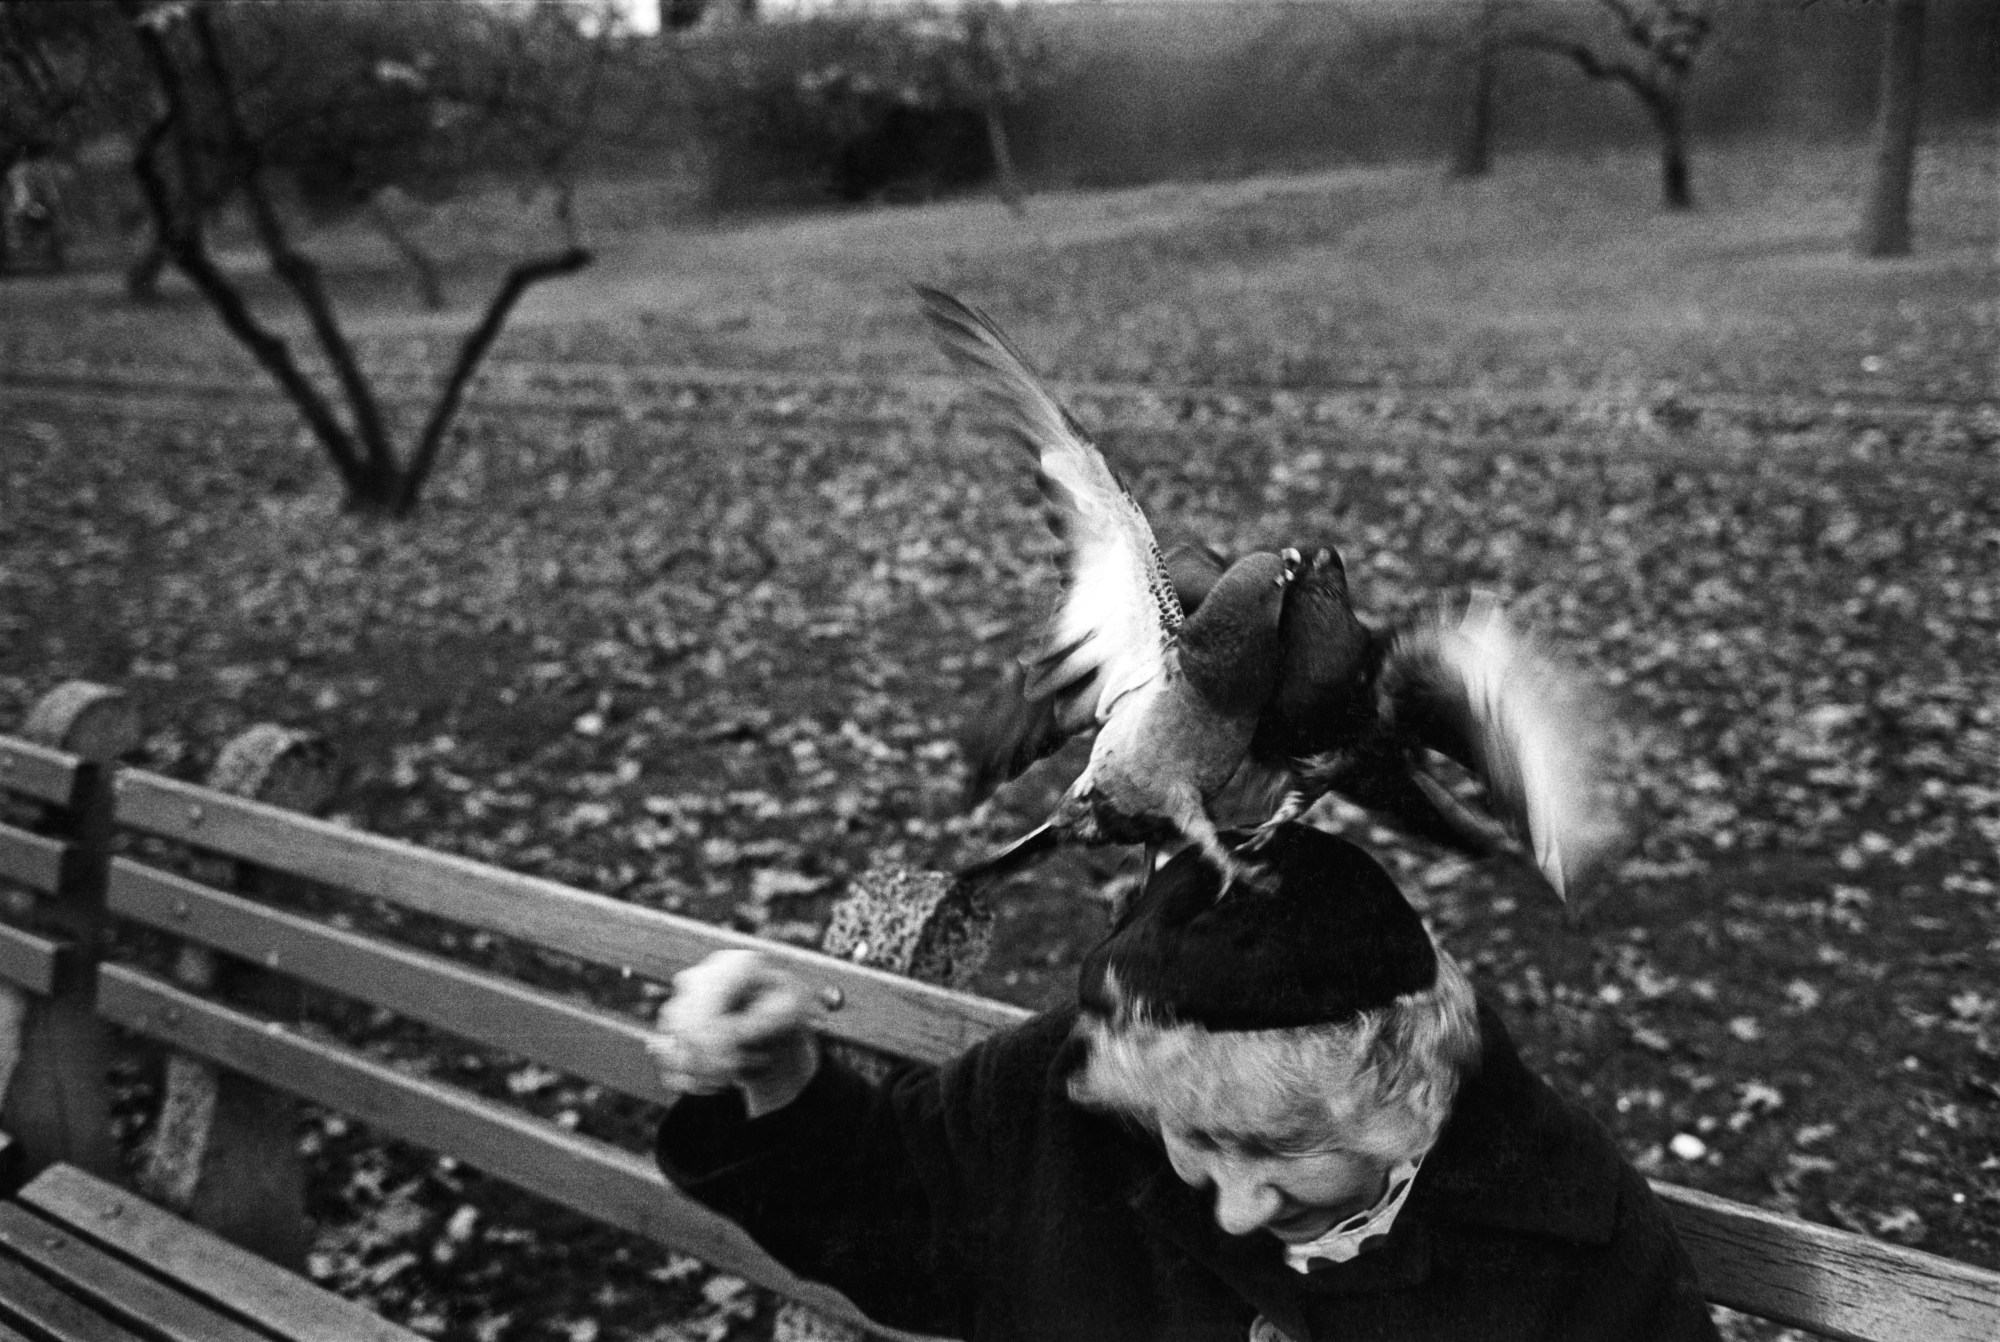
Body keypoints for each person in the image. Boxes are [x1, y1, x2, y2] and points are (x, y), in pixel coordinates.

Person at [651, 824, 1720, 1341]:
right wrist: (779, 1072)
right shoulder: (1068, 1096)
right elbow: (902, 1214)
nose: (1237, 1202)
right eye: (1196, 1140)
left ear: (1415, 1094)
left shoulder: (1565, 1236)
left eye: (1283, 1147)